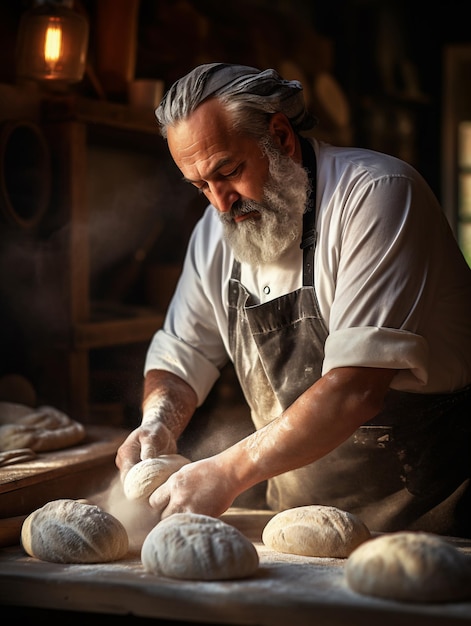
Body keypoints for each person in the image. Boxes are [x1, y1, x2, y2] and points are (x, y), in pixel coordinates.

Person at [116, 63, 471, 537]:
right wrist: (157, 422)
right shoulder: (213, 237)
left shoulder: (376, 196)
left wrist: (226, 471)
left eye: (229, 171)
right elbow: (182, 356)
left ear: (280, 137)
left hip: (433, 524)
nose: (221, 203)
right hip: (298, 528)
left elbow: (355, 388)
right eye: (201, 186)